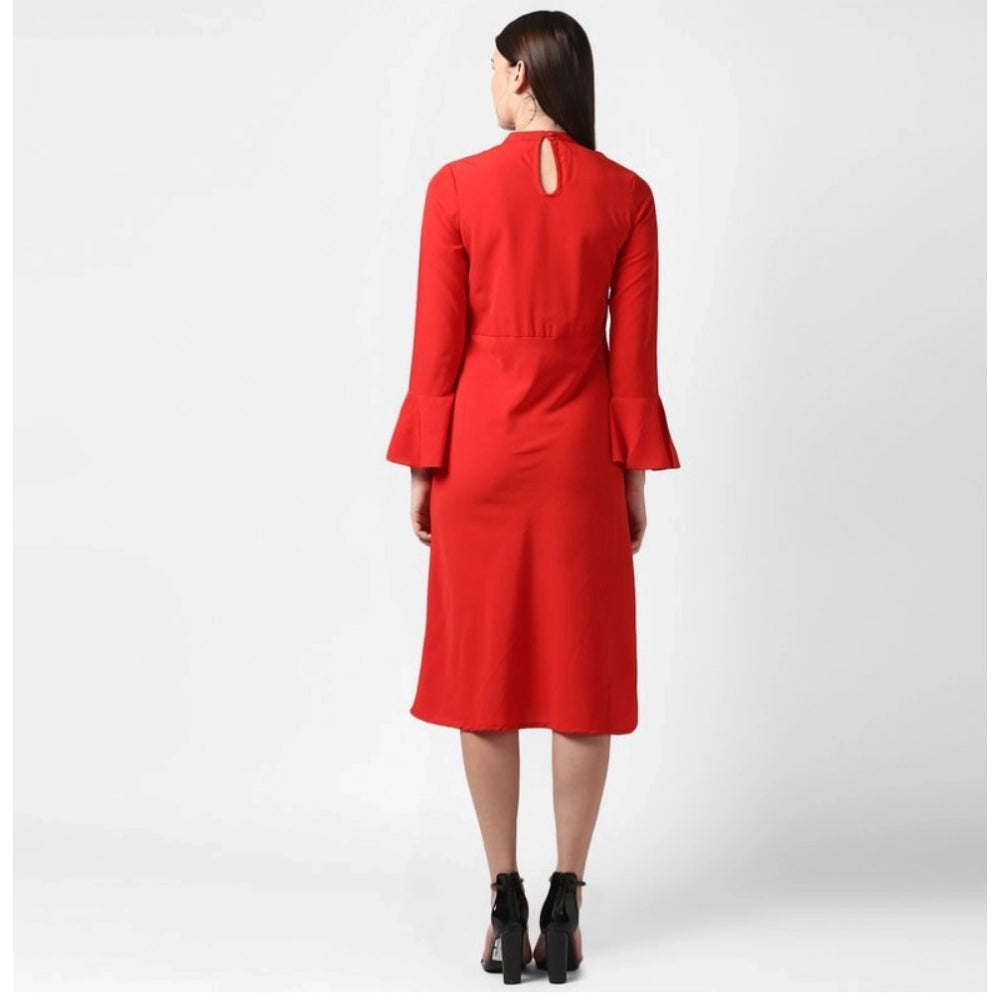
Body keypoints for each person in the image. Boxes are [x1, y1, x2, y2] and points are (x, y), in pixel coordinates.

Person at [385, 10, 681, 985]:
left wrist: (426, 467)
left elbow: (437, 347)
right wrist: (631, 480)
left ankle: (503, 900)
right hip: (579, 465)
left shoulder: (455, 189)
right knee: (579, 677)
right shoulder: (626, 197)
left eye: (491, 68)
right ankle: (566, 901)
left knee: (488, 675)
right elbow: (632, 364)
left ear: (519, 76)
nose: (488, 83)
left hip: (480, 458)